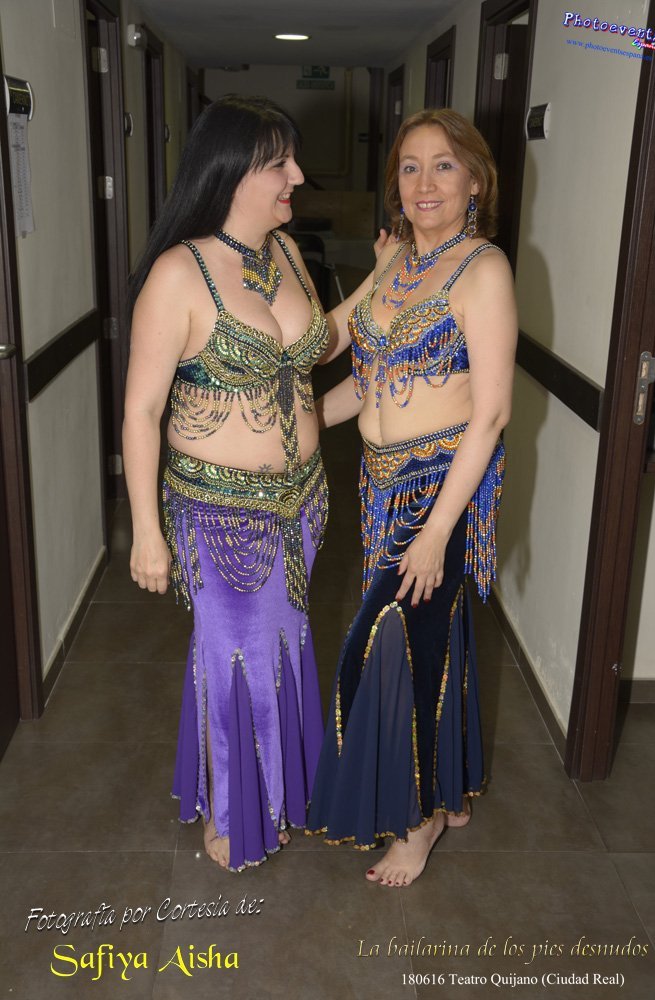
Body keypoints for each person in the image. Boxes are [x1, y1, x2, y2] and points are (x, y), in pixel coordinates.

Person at [123, 96, 338, 872]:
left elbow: (312, 355)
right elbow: (141, 412)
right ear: (233, 171)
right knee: (234, 662)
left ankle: (269, 794)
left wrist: (386, 290)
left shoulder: (286, 252)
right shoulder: (178, 275)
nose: (297, 177)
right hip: (217, 514)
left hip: (302, 503)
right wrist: (146, 533)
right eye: (279, 163)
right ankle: (231, 812)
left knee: (277, 652)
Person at [306, 108, 517, 887]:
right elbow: (348, 368)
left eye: (443, 166)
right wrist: (293, 426)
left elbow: (489, 413)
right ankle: (449, 791)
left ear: (475, 181)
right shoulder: (395, 263)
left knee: (384, 647)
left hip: (438, 489)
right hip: (378, 484)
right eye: (409, 166)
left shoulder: (482, 271)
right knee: (431, 638)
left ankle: (420, 817)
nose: (424, 183)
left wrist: (435, 532)